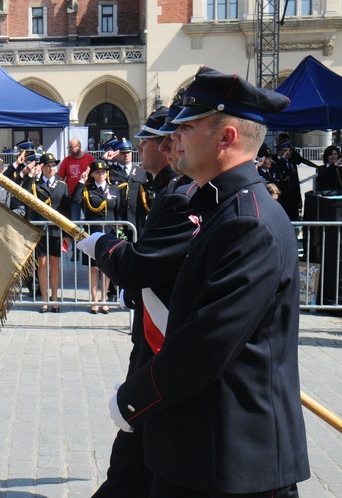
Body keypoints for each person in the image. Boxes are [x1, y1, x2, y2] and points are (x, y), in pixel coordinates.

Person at [102, 66, 310, 497]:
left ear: (226, 138)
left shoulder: (247, 222)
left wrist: (134, 397)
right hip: (202, 449)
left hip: (233, 458)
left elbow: (206, 341)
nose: (173, 137)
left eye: (188, 126)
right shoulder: (220, 208)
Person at [81, 102, 197, 497]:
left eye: (144, 140)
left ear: (165, 145)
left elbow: (147, 264)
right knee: (139, 455)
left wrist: (104, 247)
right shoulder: (165, 189)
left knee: (135, 454)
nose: (138, 148)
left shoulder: (179, 194)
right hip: (151, 329)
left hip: (164, 336)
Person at [18, 153, 69, 313]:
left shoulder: (62, 185)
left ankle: (54, 297)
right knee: (42, 263)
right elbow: (24, 193)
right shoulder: (36, 183)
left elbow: (66, 209)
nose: (51, 169)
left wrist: (68, 233)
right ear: (42, 167)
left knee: (54, 263)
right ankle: (44, 298)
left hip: (55, 229)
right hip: (40, 229)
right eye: (47, 166)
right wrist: (31, 176)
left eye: (53, 165)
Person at [72, 159, 120, 314]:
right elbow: (76, 200)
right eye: (98, 172)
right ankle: (94, 299)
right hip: (93, 232)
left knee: (105, 268)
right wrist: (81, 182)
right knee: (93, 268)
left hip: (110, 232)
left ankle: (104, 298)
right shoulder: (87, 189)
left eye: (104, 172)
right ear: (92, 174)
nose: (101, 174)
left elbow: (118, 211)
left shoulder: (114, 189)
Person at [103, 138, 150, 239]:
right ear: (116, 154)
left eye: (129, 152)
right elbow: (94, 177)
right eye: (123, 153)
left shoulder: (141, 171)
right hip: (118, 218)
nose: (126, 155)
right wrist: (105, 160)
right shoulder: (109, 172)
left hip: (137, 218)